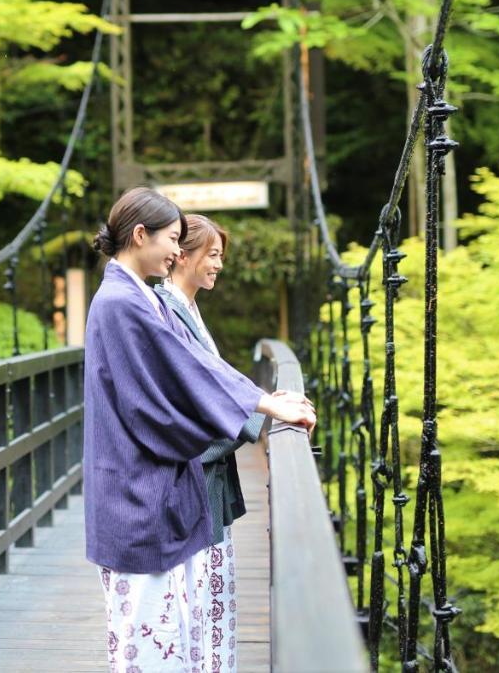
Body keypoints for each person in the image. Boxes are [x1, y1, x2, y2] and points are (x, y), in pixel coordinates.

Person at [83, 187, 315, 672]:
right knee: (148, 643)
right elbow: (184, 375)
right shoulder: (123, 303)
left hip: (145, 488)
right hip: (136, 494)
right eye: (172, 239)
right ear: (141, 235)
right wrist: (264, 405)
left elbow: (195, 366)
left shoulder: (138, 296)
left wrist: (264, 402)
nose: (175, 251)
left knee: (164, 637)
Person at [155, 215, 256, 673]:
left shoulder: (187, 308)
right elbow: (191, 406)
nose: (219, 265)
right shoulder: (167, 314)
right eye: (212, 255)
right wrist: (254, 416)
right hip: (192, 484)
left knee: (206, 609)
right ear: (183, 256)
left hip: (204, 483)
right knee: (197, 611)